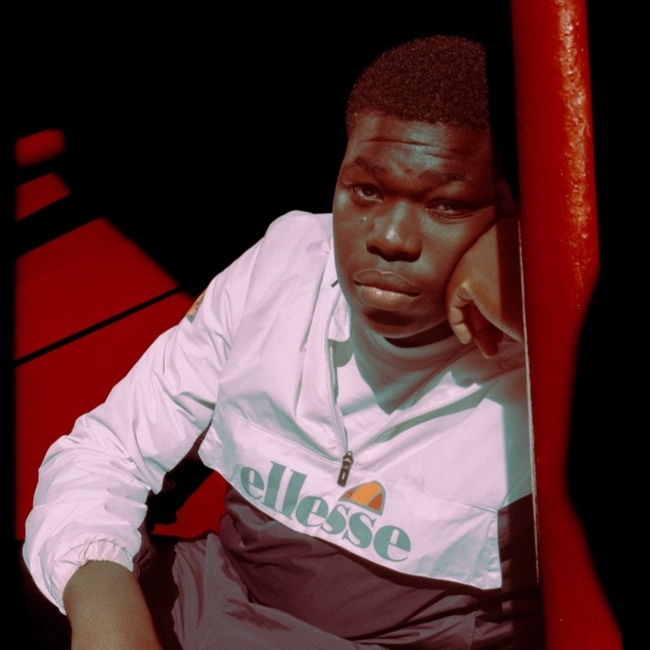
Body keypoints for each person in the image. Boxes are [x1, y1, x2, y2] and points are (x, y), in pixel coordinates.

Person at [23, 36, 542, 648]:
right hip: (220, 605)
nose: (392, 238)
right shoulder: (283, 269)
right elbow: (108, 449)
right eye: (367, 191)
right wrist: (106, 609)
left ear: (514, 210)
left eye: (448, 204)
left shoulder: (549, 348)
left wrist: (546, 297)